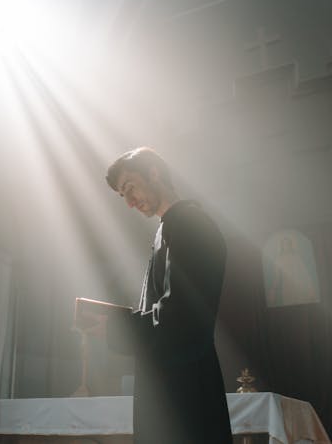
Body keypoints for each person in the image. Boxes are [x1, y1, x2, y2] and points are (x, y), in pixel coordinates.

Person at [104, 147, 233, 444]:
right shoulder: (168, 228)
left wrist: (117, 327)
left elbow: (181, 317)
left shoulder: (190, 224)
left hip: (187, 390)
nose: (129, 201)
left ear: (154, 173)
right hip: (170, 389)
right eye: (122, 195)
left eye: (130, 187)